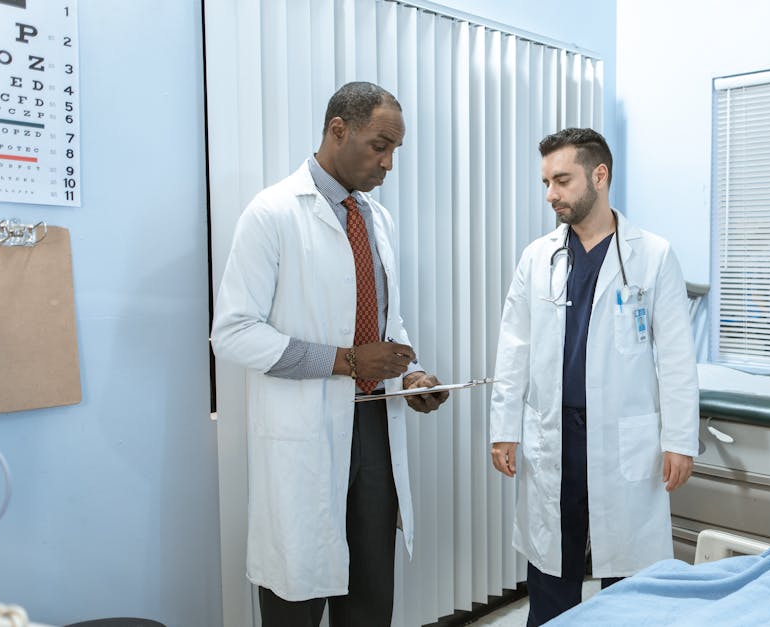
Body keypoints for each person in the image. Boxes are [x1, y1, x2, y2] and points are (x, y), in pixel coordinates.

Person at [211, 81, 449, 627]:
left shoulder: (376, 220)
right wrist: (346, 362)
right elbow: (233, 332)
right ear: (338, 129)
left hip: (373, 429)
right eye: (379, 145)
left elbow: (389, 324)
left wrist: (410, 373)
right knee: (295, 597)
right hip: (304, 432)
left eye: (395, 150)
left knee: (369, 595)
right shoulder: (272, 212)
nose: (388, 163)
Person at [489, 128, 700, 625]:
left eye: (561, 180)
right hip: (553, 432)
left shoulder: (653, 255)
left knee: (627, 570)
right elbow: (513, 345)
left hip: (624, 435)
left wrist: (680, 440)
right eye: (546, 181)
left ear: (599, 176)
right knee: (551, 564)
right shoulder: (538, 256)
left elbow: (674, 356)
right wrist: (503, 428)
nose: (551, 195)